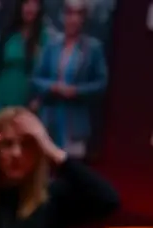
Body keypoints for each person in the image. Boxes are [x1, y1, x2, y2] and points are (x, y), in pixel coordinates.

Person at [32, 0, 108, 157]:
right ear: (63, 16)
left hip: (75, 122)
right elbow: (36, 79)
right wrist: (51, 87)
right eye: (70, 13)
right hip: (49, 118)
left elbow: (101, 84)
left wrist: (76, 91)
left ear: (84, 18)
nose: (73, 19)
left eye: (78, 14)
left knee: (71, 171)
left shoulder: (93, 48)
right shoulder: (51, 45)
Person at [0, 0, 45, 138]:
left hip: (27, 104)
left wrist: (38, 100)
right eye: (26, 3)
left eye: (34, 3)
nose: (30, 8)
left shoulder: (45, 39)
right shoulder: (7, 35)